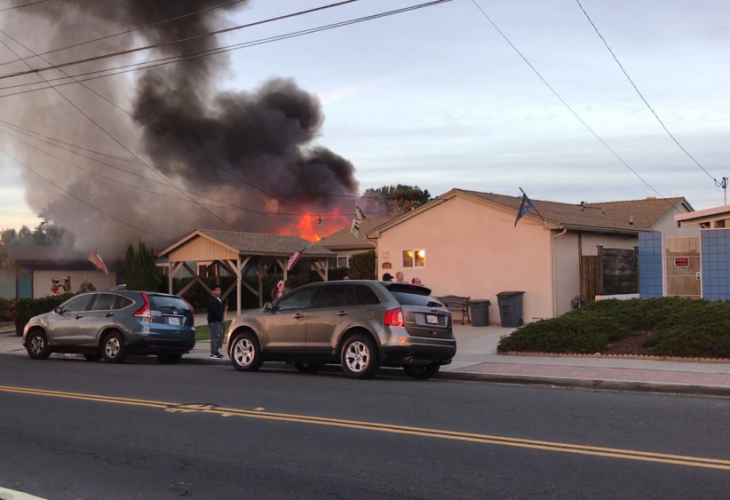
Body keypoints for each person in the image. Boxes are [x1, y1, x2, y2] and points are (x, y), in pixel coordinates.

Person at [207, 285, 225, 360]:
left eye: (219, 290)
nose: (219, 291)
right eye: (217, 290)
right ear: (213, 291)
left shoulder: (218, 299)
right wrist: (220, 318)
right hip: (214, 321)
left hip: (218, 320)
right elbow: (214, 311)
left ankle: (216, 351)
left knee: (219, 336)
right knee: (215, 337)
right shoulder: (212, 300)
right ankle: (213, 353)